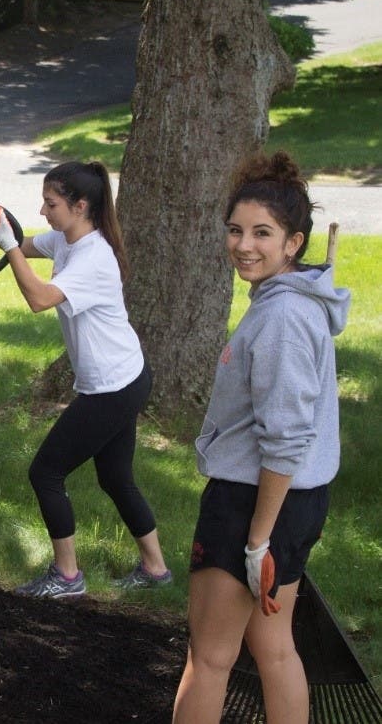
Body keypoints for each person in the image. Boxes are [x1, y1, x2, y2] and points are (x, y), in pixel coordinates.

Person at [172, 152, 350, 723]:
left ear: (294, 243)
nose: (244, 245)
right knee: (273, 649)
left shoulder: (282, 319)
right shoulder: (293, 301)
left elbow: (285, 438)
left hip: (256, 504)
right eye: (235, 230)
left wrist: (256, 543)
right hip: (292, 502)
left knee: (210, 657)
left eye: (262, 233)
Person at [0, 160, 170, 597]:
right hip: (125, 375)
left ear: (81, 206)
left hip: (112, 387)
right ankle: (156, 569)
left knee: (45, 472)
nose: (44, 212)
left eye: (51, 204)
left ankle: (67, 576)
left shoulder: (94, 257)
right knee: (116, 478)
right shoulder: (68, 239)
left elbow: (39, 298)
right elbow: (25, 245)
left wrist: (6, 247)